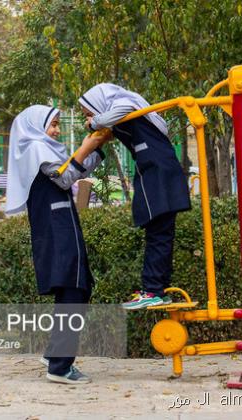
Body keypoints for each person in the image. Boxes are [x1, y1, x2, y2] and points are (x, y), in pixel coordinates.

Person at [5, 105, 110, 384]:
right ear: (36, 126)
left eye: (57, 124)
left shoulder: (43, 149)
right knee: (75, 287)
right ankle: (60, 366)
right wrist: (87, 148)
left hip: (61, 222)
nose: (56, 130)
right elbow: (65, 179)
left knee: (78, 286)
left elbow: (71, 172)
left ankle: (55, 355)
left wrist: (96, 147)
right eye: (52, 124)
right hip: (57, 226)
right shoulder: (36, 150)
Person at [78, 83, 191, 310]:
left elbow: (123, 109)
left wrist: (96, 122)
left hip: (156, 173)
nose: (89, 118)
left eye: (89, 112)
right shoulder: (130, 114)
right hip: (158, 171)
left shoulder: (124, 106)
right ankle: (156, 288)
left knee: (157, 234)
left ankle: (152, 290)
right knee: (159, 233)